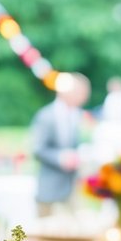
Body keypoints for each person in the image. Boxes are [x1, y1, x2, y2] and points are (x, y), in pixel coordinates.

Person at [30, 73, 91, 212]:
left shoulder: (80, 116)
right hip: (50, 188)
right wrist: (61, 158)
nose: (84, 97)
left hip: (73, 189)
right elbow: (37, 149)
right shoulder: (46, 116)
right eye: (80, 92)